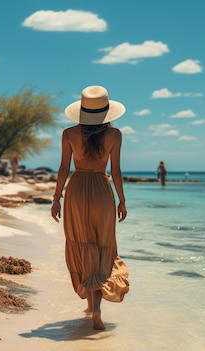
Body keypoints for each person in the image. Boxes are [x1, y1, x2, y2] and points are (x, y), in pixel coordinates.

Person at [50, 85, 130, 330]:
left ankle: (91, 303)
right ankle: (94, 308)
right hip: (101, 190)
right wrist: (122, 200)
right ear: (106, 113)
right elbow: (115, 171)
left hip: (76, 190)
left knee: (82, 244)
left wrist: (56, 198)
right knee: (102, 245)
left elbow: (64, 168)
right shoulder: (115, 135)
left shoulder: (69, 134)